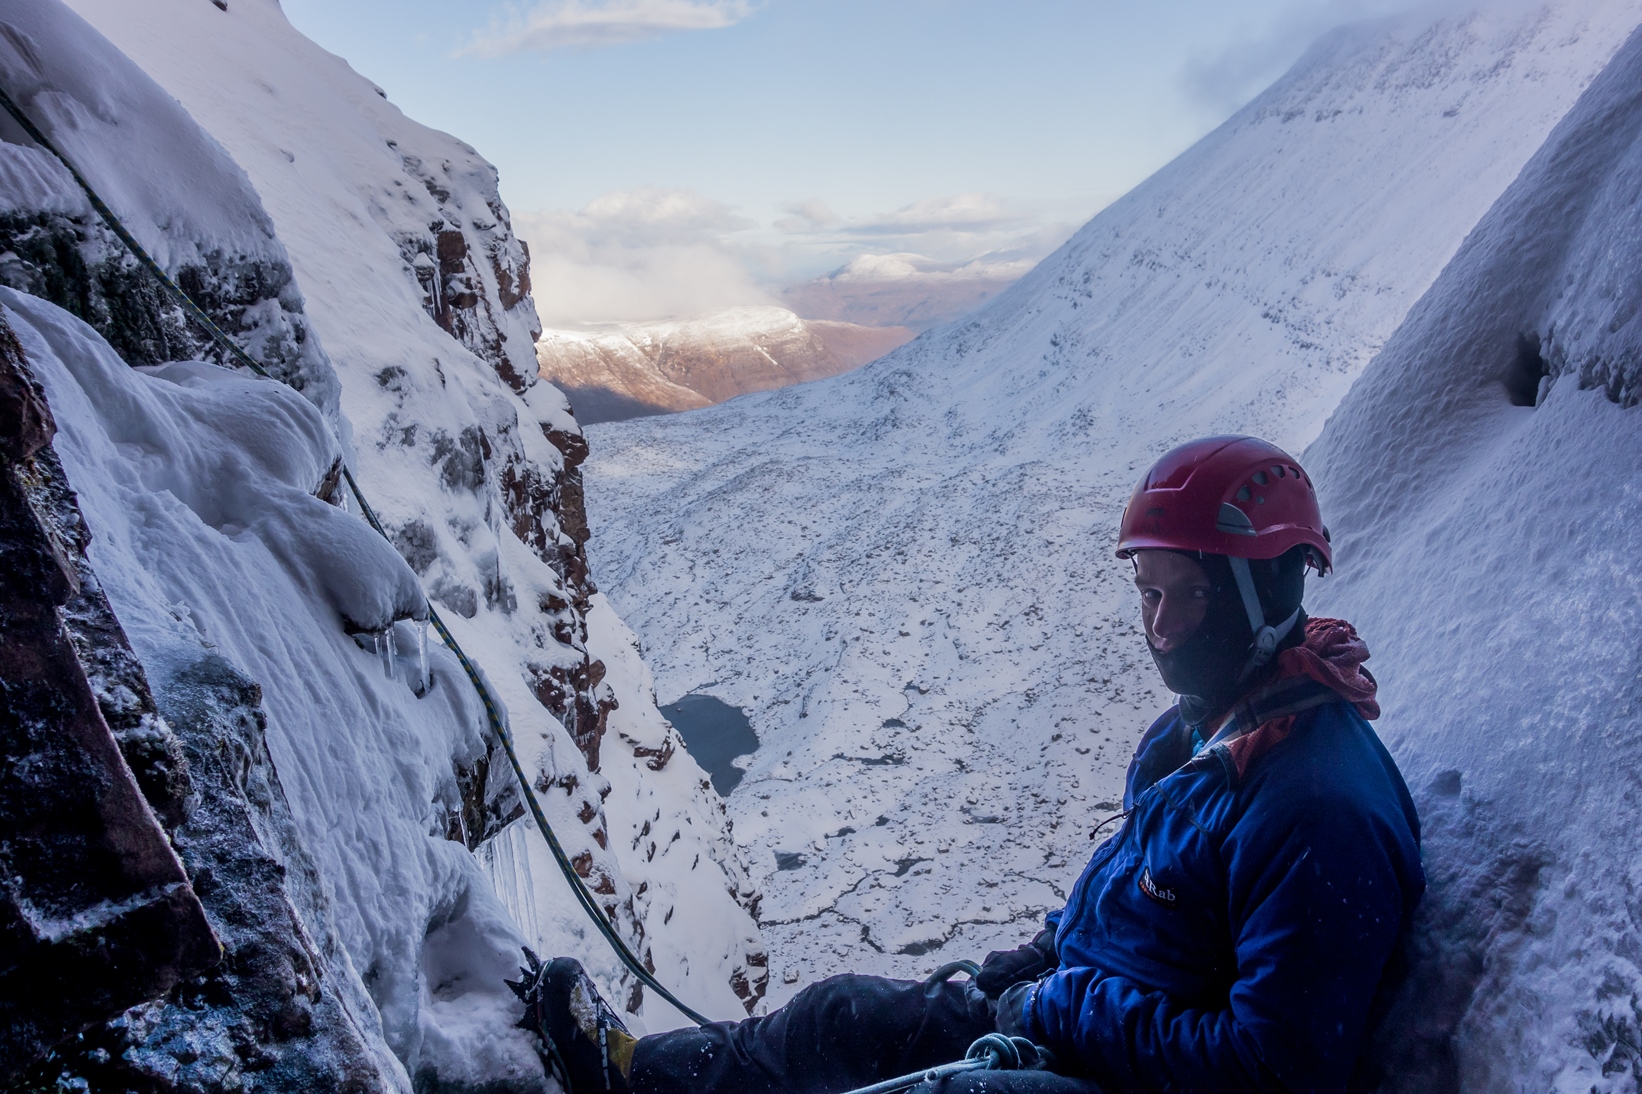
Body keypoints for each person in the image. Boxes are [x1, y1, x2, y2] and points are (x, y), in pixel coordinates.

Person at [514, 435, 1424, 1094]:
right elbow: (1109, 916)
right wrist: (1014, 978)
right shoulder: (1196, 738)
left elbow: (1270, 1072)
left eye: (1192, 595)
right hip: (1084, 1022)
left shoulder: (1315, 810)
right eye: (1149, 593)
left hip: (1122, 1068)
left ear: (1267, 592)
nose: (1162, 629)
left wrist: (1057, 1011)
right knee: (846, 1017)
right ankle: (634, 1079)